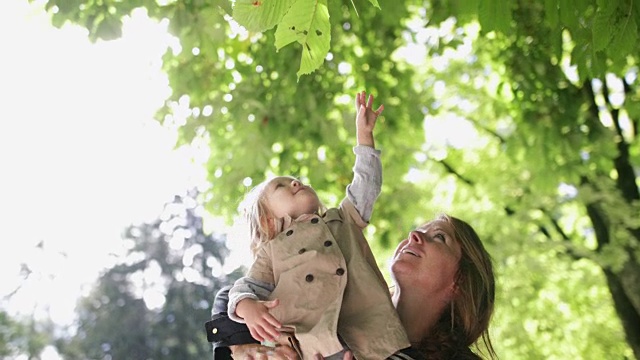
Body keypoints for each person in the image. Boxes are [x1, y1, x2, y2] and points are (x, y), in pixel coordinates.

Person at [218, 91, 411, 359]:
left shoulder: (343, 218)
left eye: (295, 179)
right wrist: (248, 307)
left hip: (373, 336)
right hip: (317, 346)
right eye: (281, 186)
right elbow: (246, 287)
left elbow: (366, 185)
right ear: (266, 220)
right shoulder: (272, 251)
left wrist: (364, 138)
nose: (295, 183)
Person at [206, 214, 497, 359]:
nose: (414, 236)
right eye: (418, 230)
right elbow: (228, 301)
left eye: (439, 237)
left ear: (461, 281)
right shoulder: (336, 305)